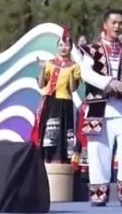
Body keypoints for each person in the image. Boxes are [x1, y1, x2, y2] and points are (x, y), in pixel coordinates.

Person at [78, 9, 122, 207]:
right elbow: (85, 73)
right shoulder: (91, 49)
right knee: (98, 152)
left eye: (121, 23)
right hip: (98, 107)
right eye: (114, 22)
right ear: (105, 25)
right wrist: (108, 82)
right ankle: (99, 196)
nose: (117, 26)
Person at [30, 27, 80, 164]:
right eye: (61, 45)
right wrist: (42, 70)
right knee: (48, 133)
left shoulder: (74, 66)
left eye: (66, 45)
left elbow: (73, 89)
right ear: (57, 47)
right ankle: (46, 160)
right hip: (50, 101)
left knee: (63, 132)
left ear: (71, 48)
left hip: (64, 102)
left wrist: (70, 74)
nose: (63, 48)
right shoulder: (50, 63)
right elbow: (41, 85)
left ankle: (62, 162)